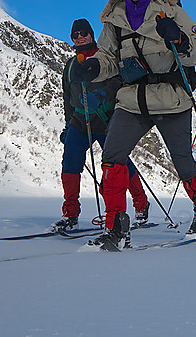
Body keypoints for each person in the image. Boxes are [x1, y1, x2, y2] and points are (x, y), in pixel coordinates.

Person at [72, 0, 196, 250]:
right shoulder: (114, 20)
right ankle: (116, 227)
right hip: (133, 99)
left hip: (171, 98)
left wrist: (180, 40)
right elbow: (109, 57)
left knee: (183, 163)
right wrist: (94, 68)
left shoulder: (171, 11)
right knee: (112, 158)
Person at [54, 18, 150, 232]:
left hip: (106, 120)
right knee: (69, 164)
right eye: (75, 35)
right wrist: (68, 125)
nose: (79, 38)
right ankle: (70, 214)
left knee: (119, 163)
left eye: (83, 33)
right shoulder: (70, 65)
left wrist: (103, 94)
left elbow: (118, 81)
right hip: (79, 122)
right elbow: (67, 96)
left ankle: (141, 204)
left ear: (91, 34)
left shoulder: (104, 57)